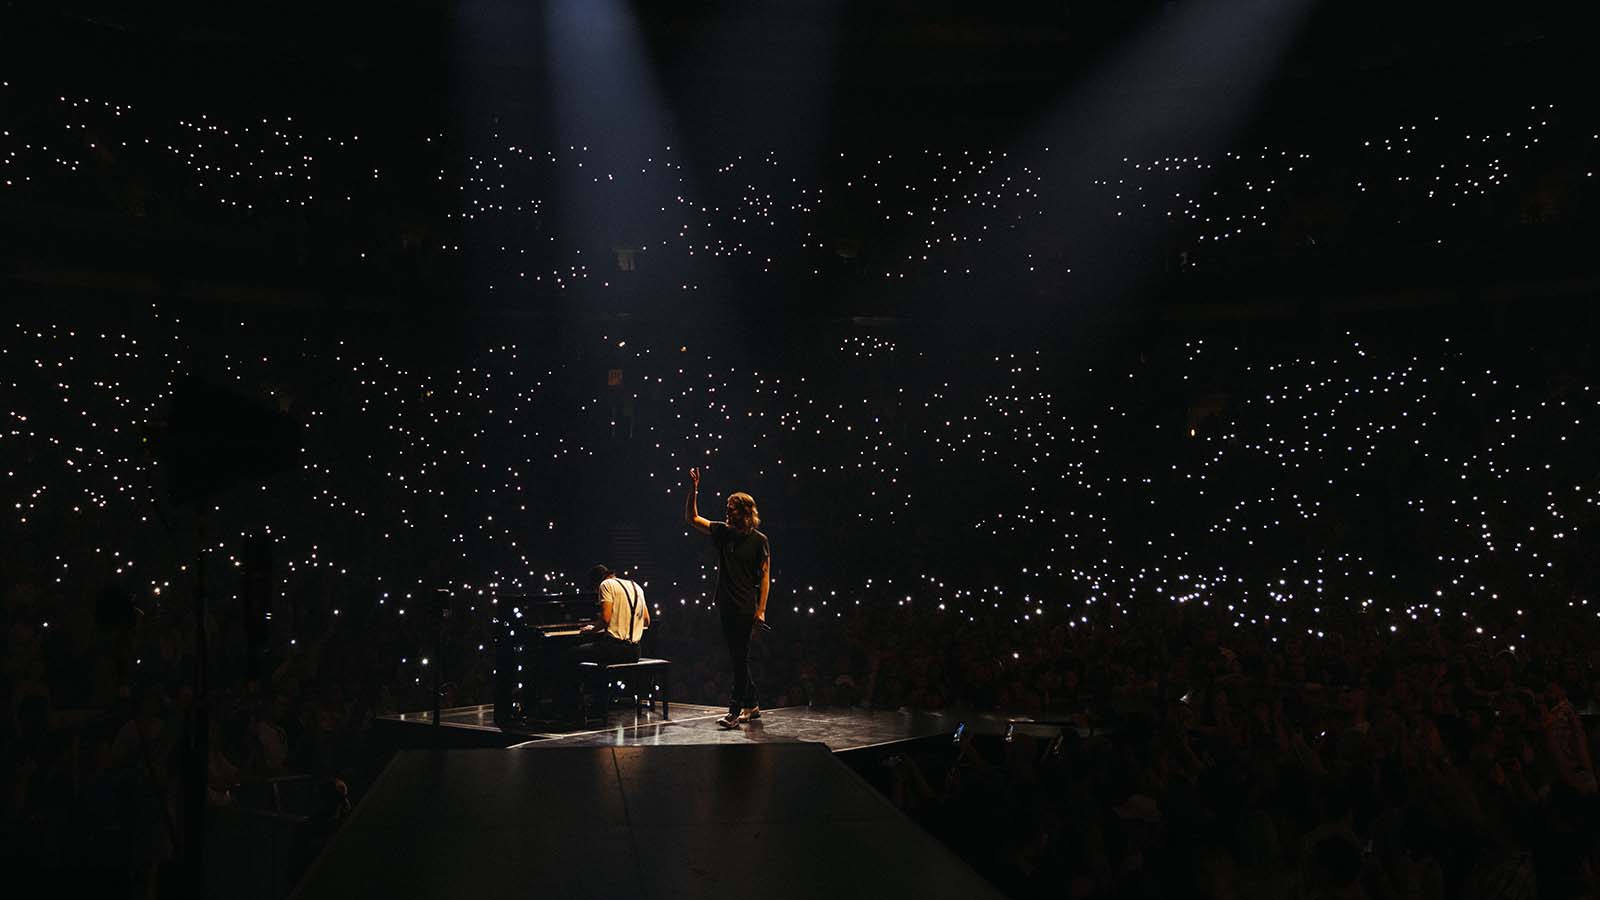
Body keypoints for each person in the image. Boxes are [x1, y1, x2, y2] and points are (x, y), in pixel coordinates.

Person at [684, 467, 770, 729]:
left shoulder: (759, 541)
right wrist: (694, 490)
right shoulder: (723, 532)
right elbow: (692, 518)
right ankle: (752, 704)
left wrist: (761, 609)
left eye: (732, 509)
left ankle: (735, 710)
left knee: (739, 657)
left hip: (745, 605)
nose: (727, 512)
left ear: (745, 512)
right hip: (725, 602)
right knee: (737, 657)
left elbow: (765, 577)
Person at [575, 564, 650, 666]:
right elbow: (646, 621)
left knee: (573, 653)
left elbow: (605, 620)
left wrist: (591, 630)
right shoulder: (637, 587)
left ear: (597, 582)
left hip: (614, 650)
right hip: (635, 652)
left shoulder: (605, 584)